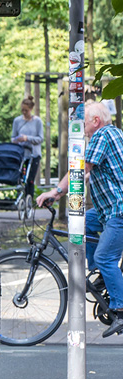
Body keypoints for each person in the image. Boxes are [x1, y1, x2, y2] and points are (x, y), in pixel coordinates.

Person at [37, 100, 123, 337]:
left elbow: (80, 169)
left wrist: (55, 192)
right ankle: (101, 277)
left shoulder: (102, 136)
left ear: (95, 121)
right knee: (83, 222)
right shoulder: (112, 133)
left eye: (83, 123)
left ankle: (121, 309)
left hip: (119, 211)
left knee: (106, 257)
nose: (81, 128)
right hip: (108, 210)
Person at [12, 95, 44, 197]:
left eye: (26, 110)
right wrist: (17, 140)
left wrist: (27, 138)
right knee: (20, 177)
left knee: (30, 179)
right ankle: (20, 198)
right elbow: (13, 137)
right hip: (21, 154)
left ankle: (29, 199)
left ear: (31, 109)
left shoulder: (37, 121)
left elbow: (40, 138)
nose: (24, 112)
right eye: (22, 110)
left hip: (33, 154)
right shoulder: (17, 121)